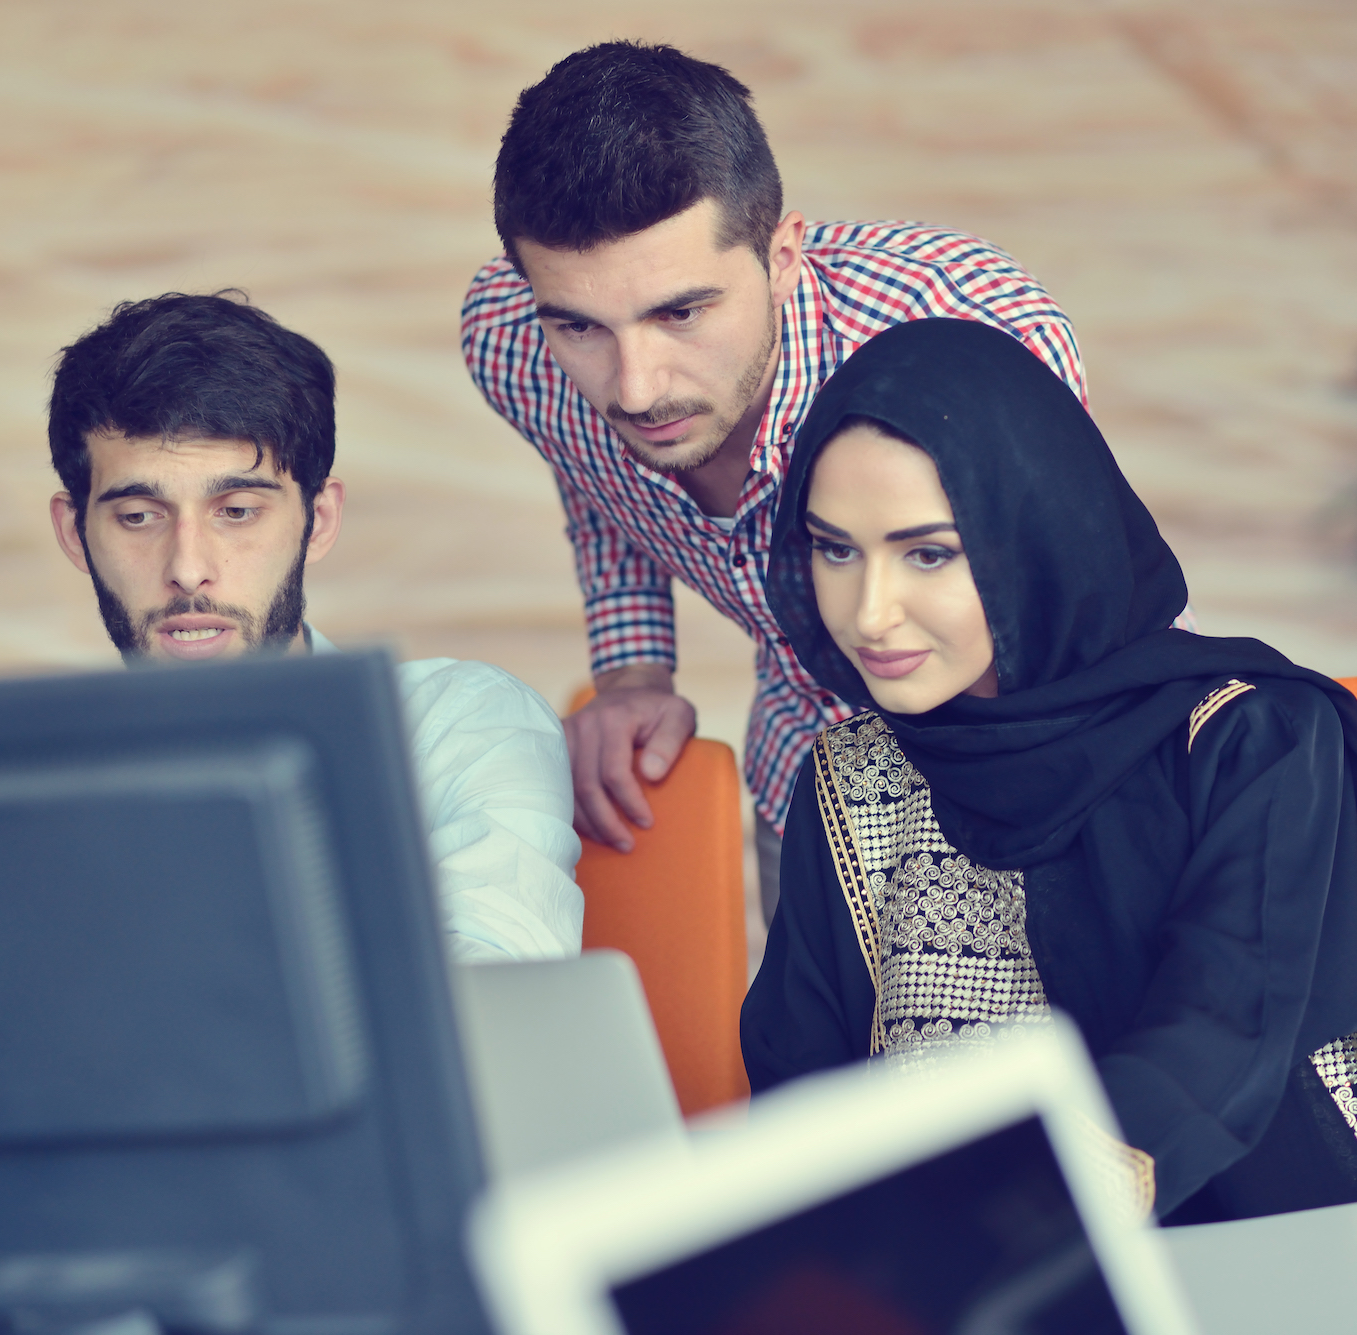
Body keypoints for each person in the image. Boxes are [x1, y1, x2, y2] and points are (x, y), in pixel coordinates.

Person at [739, 319, 1357, 1223]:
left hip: (1270, 1241)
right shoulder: (847, 776)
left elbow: (1222, 1025)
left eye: (929, 553)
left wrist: (1029, 1231)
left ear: (1036, 537)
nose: (868, 612)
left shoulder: (1251, 735)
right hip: (958, 1278)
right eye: (835, 548)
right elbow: (801, 1085)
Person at [464, 41, 1156, 923]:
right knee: (812, 1063)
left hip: (1063, 777)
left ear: (783, 255)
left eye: (681, 312)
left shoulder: (968, 325)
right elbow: (597, 477)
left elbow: (1067, 591)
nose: (634, 387)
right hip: (810, 783)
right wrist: (634, 673)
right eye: (582, 327)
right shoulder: (512, 342)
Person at [47, 291, 582, 963]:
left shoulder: (452, 727)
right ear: (75, 532)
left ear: (318, 520)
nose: (187, 569)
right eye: (139, 517)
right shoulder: (22, 786)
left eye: (237, 511)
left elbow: (496, 993)